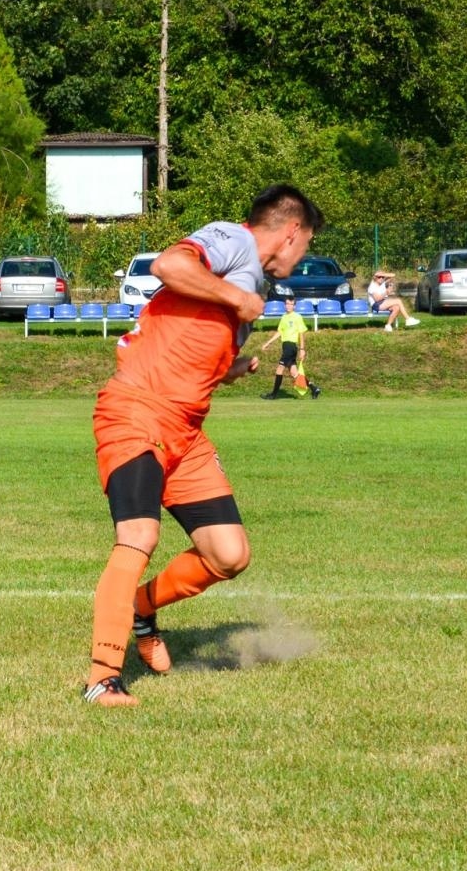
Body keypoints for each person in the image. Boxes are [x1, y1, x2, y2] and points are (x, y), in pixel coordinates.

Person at [84, 184, 321, 707]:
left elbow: (189, 352)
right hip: (136, 411)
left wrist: (229, 369)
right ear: (291, 233)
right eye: (304, 247)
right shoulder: (233, 240)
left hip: (186, 431)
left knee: (229, 554)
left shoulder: (251, 290)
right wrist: (237, 297)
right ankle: (102, 676)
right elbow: (168, 265)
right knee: (139, 536)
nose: (300, 259)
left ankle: (142, 607)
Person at [258, 298, 318, 400]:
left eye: (291, 304)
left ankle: (273, 395)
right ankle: (314, 388)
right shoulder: (284, 317)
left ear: (294, 306)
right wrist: (268, 343)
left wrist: (302, 349)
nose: (288, 306)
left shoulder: (297, 317)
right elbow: (280, 332)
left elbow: (301, 333)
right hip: (285, 346)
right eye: (287, 304)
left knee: (279, 369)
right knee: (294, 373)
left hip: (291, 347)